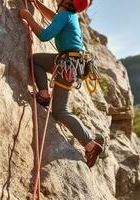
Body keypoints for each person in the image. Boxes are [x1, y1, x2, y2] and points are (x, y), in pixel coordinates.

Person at [19, 0, 103, 168]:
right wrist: (37, 4)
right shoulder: (69, 16)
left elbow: (44, 36)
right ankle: (44, 95)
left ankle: (90, 145)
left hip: (67, 64)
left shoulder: (65, 15)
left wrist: (28, 17)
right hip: (70, 62)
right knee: (37, 62)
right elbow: (55, 17)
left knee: (60, 110)